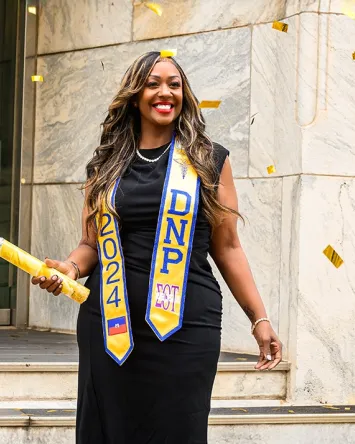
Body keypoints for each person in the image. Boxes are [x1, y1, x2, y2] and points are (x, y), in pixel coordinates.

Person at [31, 51, 282, 444]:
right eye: (153, 84)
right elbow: (89, 244)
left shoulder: (209, 161)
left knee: (177, 429)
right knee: (109, 429)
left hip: (185, 327)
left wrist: (259, 319)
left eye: (174, 84)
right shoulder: (106, 166)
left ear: (184, 96)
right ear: (134, 96)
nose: (165, 92)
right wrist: (71, 268)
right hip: (111, 324)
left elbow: (228, 247)